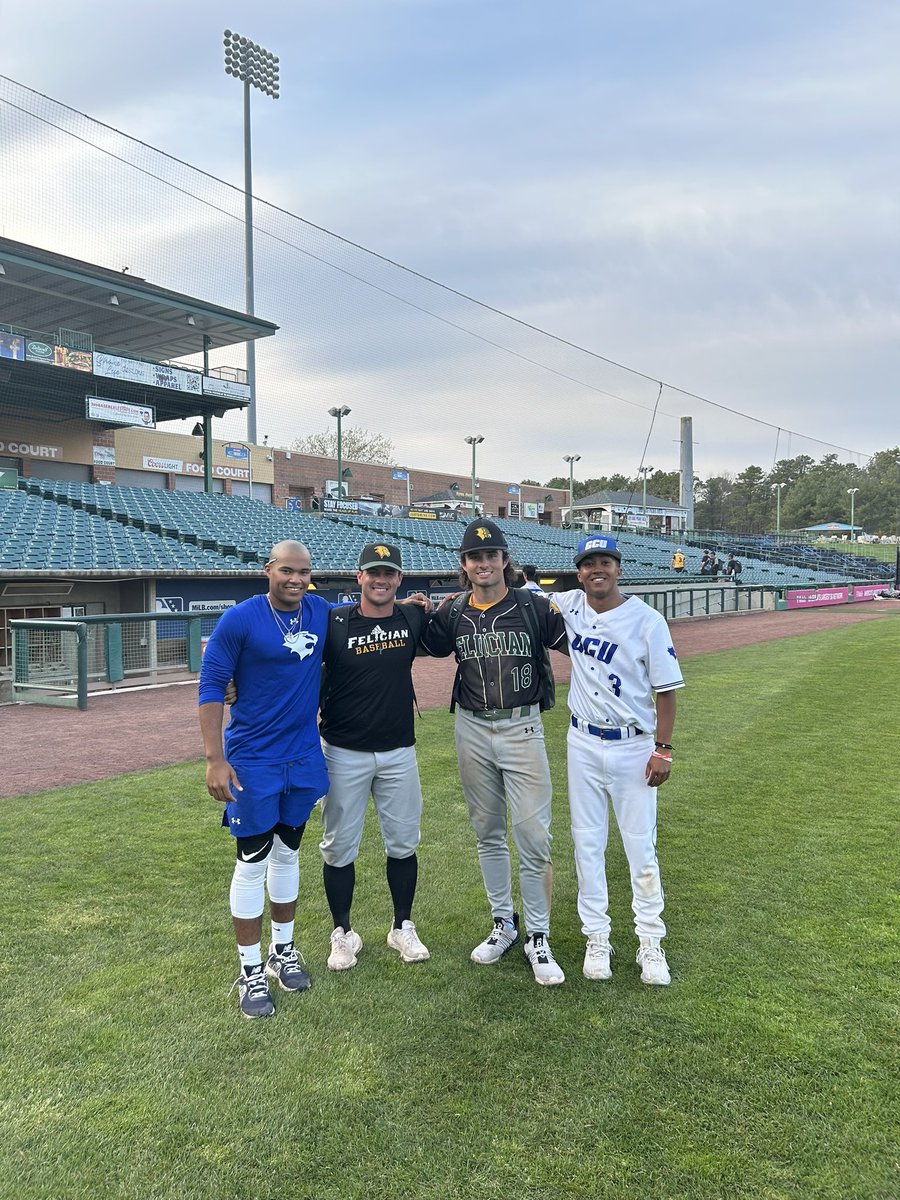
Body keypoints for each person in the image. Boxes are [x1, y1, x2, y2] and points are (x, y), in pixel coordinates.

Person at [421, 519, 569, 986]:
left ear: (504, 560)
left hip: (522, 727)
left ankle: (539, 935)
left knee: (533, 837)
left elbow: (581, 646)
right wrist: (418, 607)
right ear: (463, 565)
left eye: (491, 556)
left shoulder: (532, 606)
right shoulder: (454, 611)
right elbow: (421, 641)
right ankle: (504, 924)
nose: (483, 564)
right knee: (487, 832)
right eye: (474, 557)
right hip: (471, 729)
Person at [199, 540, 331, 1019]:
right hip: (253, 759)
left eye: (304, 572)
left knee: (289, 853)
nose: (296, 579)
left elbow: (366, 612)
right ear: (268, 570)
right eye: (287, 571)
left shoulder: (319, 611)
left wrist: (412, 602)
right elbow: (212, 685)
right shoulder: (240, 618)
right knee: (252, 861)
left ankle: (283, 950)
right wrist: (215, 758)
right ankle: (250, 969)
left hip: (303, 757)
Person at [549, 535, 684, 986]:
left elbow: (666, 692)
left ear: (618, 568)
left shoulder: (647, 620)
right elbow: (518, 593)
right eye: (588, 564)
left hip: (633, 746)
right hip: (583, 742)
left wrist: (663, 748)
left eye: (604, 561)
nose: (596, 570)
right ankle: (597, 937)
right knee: (587, 844)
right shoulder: (570, 604)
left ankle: (650, 941)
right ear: (580, 572)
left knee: (640, 847)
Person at [319, 543, 432, 971]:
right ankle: (343, 932)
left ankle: (401, 925)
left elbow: (434, 616)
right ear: (358, 577)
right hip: (343, 750)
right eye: (373, 572)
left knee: (403, 843)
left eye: (389, 573)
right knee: (339, 847)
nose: (381, 579)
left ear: (400, 579)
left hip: (399, 750)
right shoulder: (333, 621)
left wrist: (416, 602)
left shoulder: (412, 616)